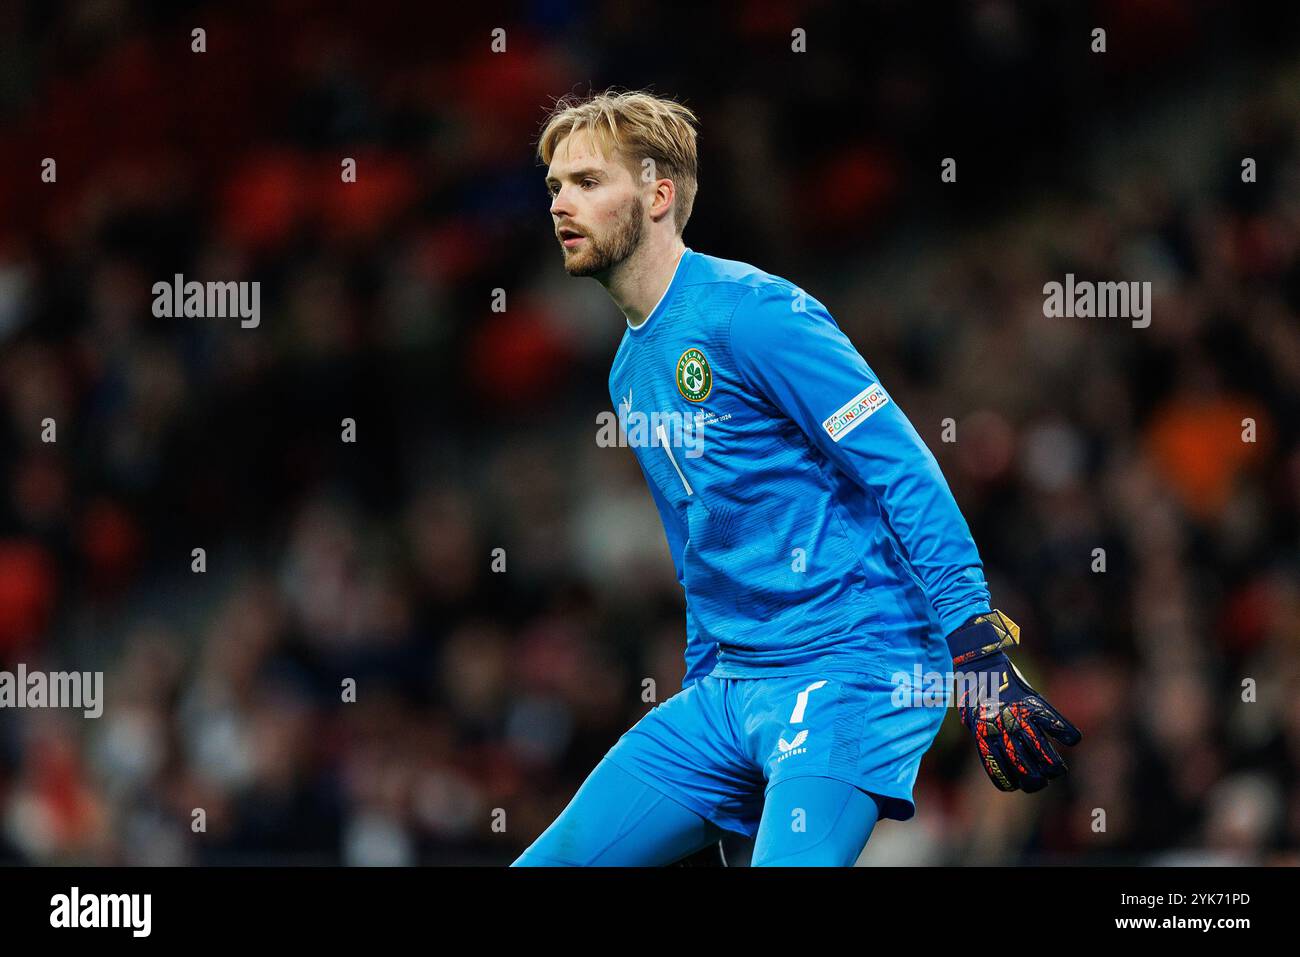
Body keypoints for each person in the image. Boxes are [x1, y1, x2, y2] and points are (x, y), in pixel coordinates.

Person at [513, 90, 1081, 867]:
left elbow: (903, 468)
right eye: (554, 187)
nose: (560, 204)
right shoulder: (627, 370)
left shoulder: (755, 312)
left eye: (586, 181)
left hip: (853, 667)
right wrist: (711, 712)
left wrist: (975, 643)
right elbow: (698, 549)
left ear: (657, 193)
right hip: (730, 687)